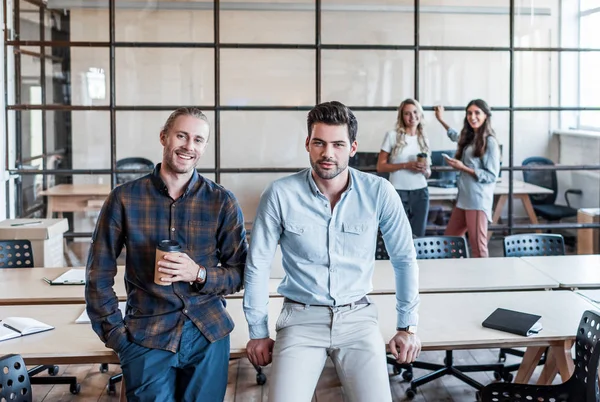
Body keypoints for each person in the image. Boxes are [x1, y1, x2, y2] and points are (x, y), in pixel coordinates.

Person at [243, 101, 421, 402]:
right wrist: (258, 331)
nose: (328, 153)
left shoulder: (379, 192)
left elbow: (404, 260)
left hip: (358, 318)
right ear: (308, 145)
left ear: (352, 147)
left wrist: (407, 326)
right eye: (320, 143)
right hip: (300, 319)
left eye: (338, 144)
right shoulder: (280, 194)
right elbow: (257, 265)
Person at [85, 107, 248, 402]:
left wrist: (198, 274)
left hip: (207, 333)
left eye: (198, 140)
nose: (189, 146)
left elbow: (240, 273)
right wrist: (118, 338)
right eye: (182, 136)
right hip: (147, 334)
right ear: (164, 137)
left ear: (204, 147)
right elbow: (98, 275)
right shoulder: (124, 198)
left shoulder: (221, 201)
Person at [434, 100, 501, 258]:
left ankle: (483, 281)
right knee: (449, 242)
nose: (473, 116)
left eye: (477, 113)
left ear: (485, 115)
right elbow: (455, 136)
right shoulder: (471, 137)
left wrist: (462, 167)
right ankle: (457, 276)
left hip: (477, 201)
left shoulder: (490, 142)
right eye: (469, 113)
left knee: (478, 247)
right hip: (464, 200)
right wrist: (440, 119)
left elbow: (491, 175)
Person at [377, 98, 431, 237]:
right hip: (398, 192)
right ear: (402, 116)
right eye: (407, 113)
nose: (412, 116)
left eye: (415, 112)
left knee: (418, 236)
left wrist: (425, 170)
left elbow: (428, 173)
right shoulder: (392, 136)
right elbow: (381, 167)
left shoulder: (424, 138)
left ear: (420, 113)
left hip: (421, 193)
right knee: (398, 236)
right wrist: (407, 165)